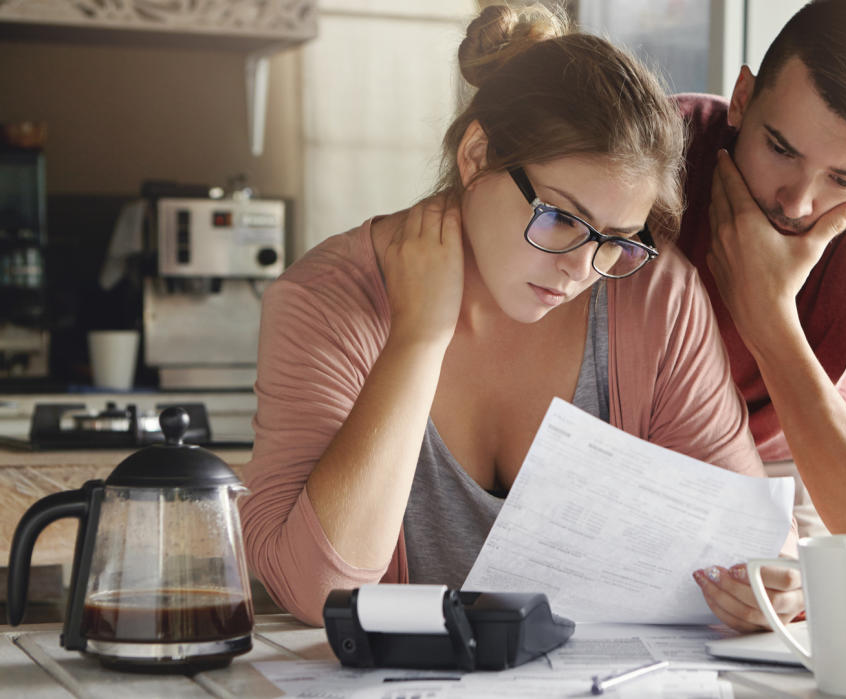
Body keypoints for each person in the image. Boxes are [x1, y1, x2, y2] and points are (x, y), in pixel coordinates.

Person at [240, 4, 799, 630]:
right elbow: (317, 590)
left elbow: (749, 544)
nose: (581, 268)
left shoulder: (655, 295)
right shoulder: (326, 300)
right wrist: (419, 338)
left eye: (615, 238)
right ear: (477, 156)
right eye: (560, 217)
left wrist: (773, 586)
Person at [682, 0, 846, 630]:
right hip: (608, 444)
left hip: (786, 467)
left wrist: (770, 320)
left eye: (844, 179)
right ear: (743, 97)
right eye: (780, 148)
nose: (798, 202)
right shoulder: (654, 153)